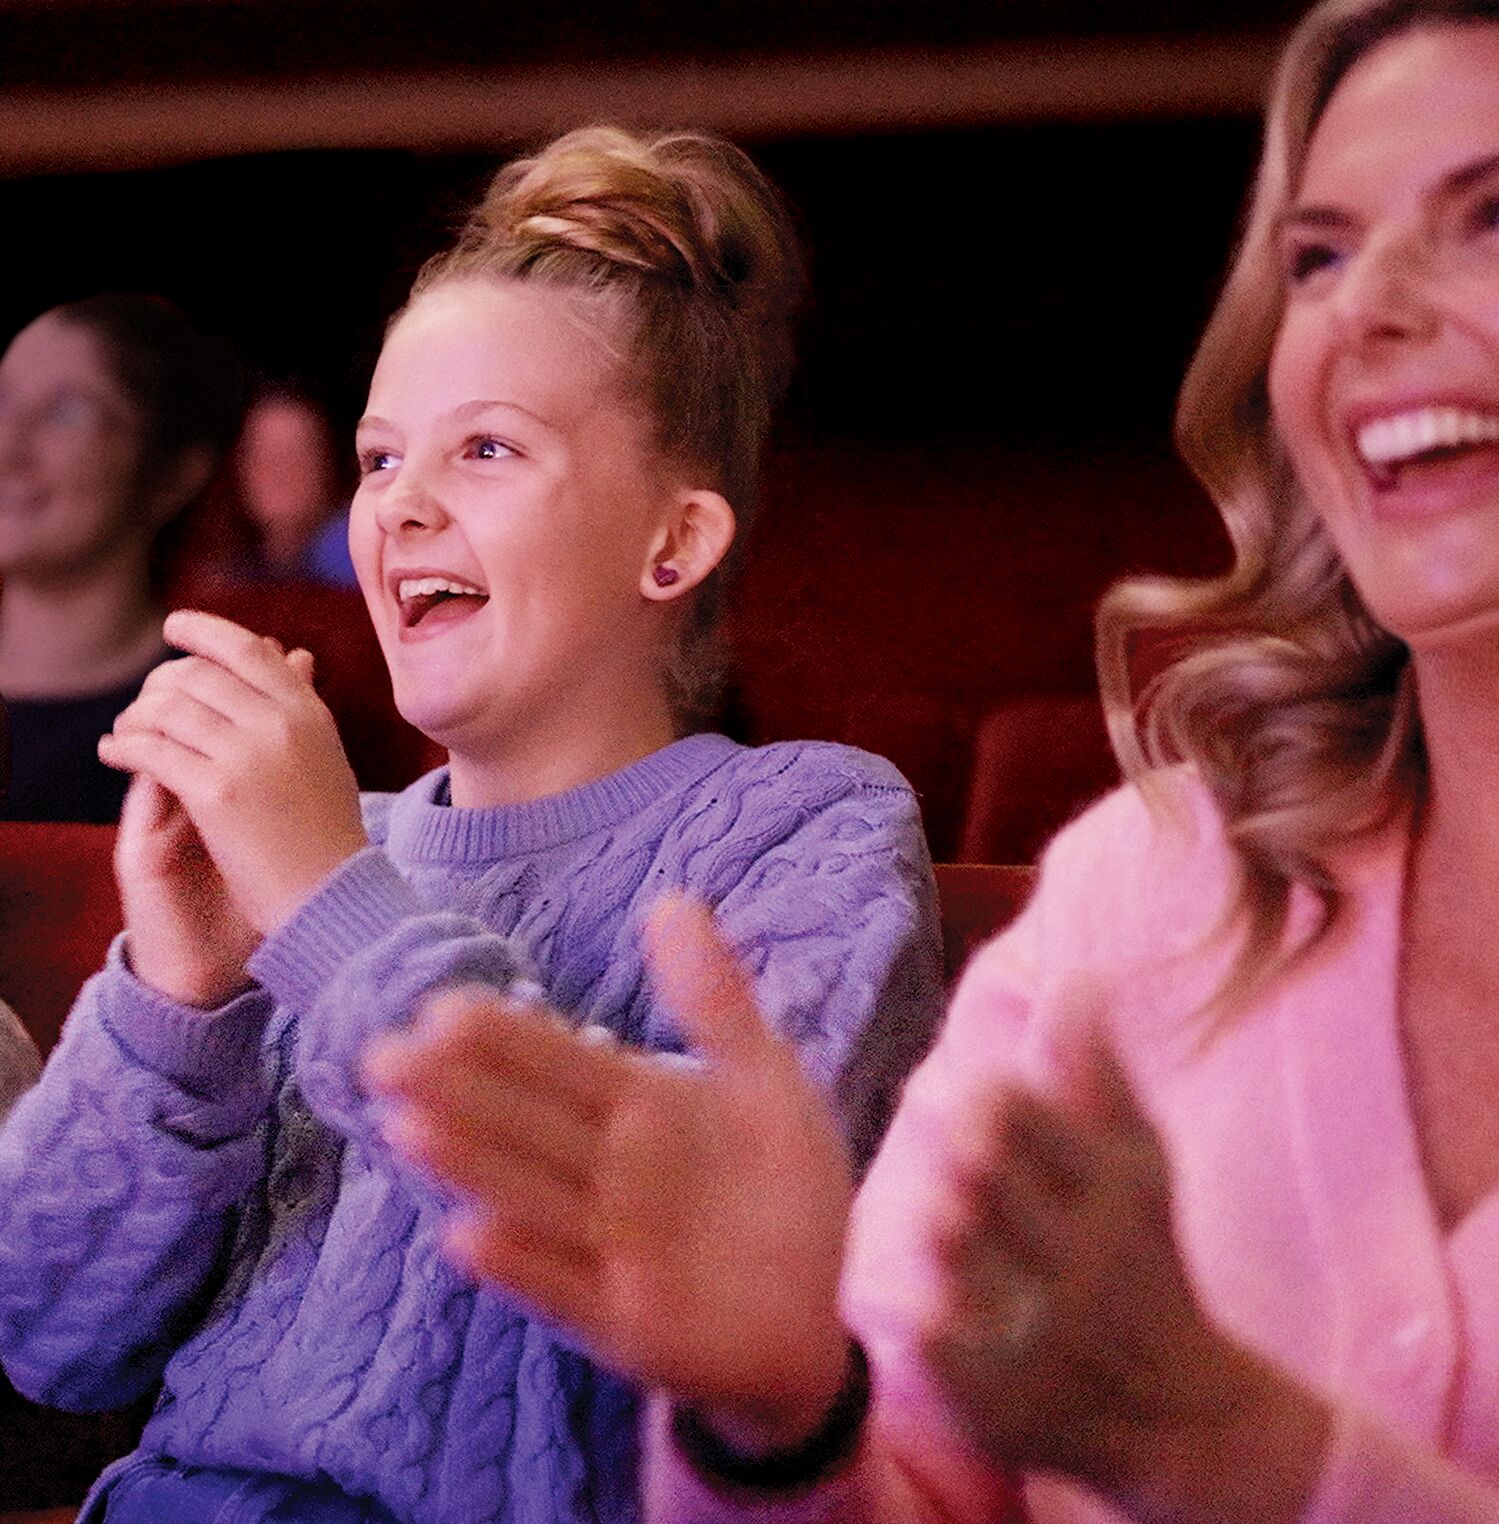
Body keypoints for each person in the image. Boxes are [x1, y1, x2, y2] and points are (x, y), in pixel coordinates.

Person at [365, 3, 1499, 1520]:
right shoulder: (1150, 886)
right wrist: (784, 1417)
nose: (1363, 304)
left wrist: (1225, 1448)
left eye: (1497, 215)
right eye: (1315, 255)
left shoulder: (804, 827)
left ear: (680, 543)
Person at [0, 127, 942, 1524]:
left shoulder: (808, 825)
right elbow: (51, 1341)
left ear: (672, 543)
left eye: (486, 449)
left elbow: (704, 1278)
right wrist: (181, 1003)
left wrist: (327, 900)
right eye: (379, 460)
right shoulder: (331, 848)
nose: (402, 506)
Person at [0, 294, 244, 823]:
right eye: (1, 401)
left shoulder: (213, 729)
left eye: (67, 412)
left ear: (173, 475)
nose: (7, 448)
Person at [226, 380, 358, 587]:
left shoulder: (357, 562)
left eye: (294, 455)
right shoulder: (229, 577)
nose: (277, 472)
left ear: (328, 465)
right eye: (261, 454)